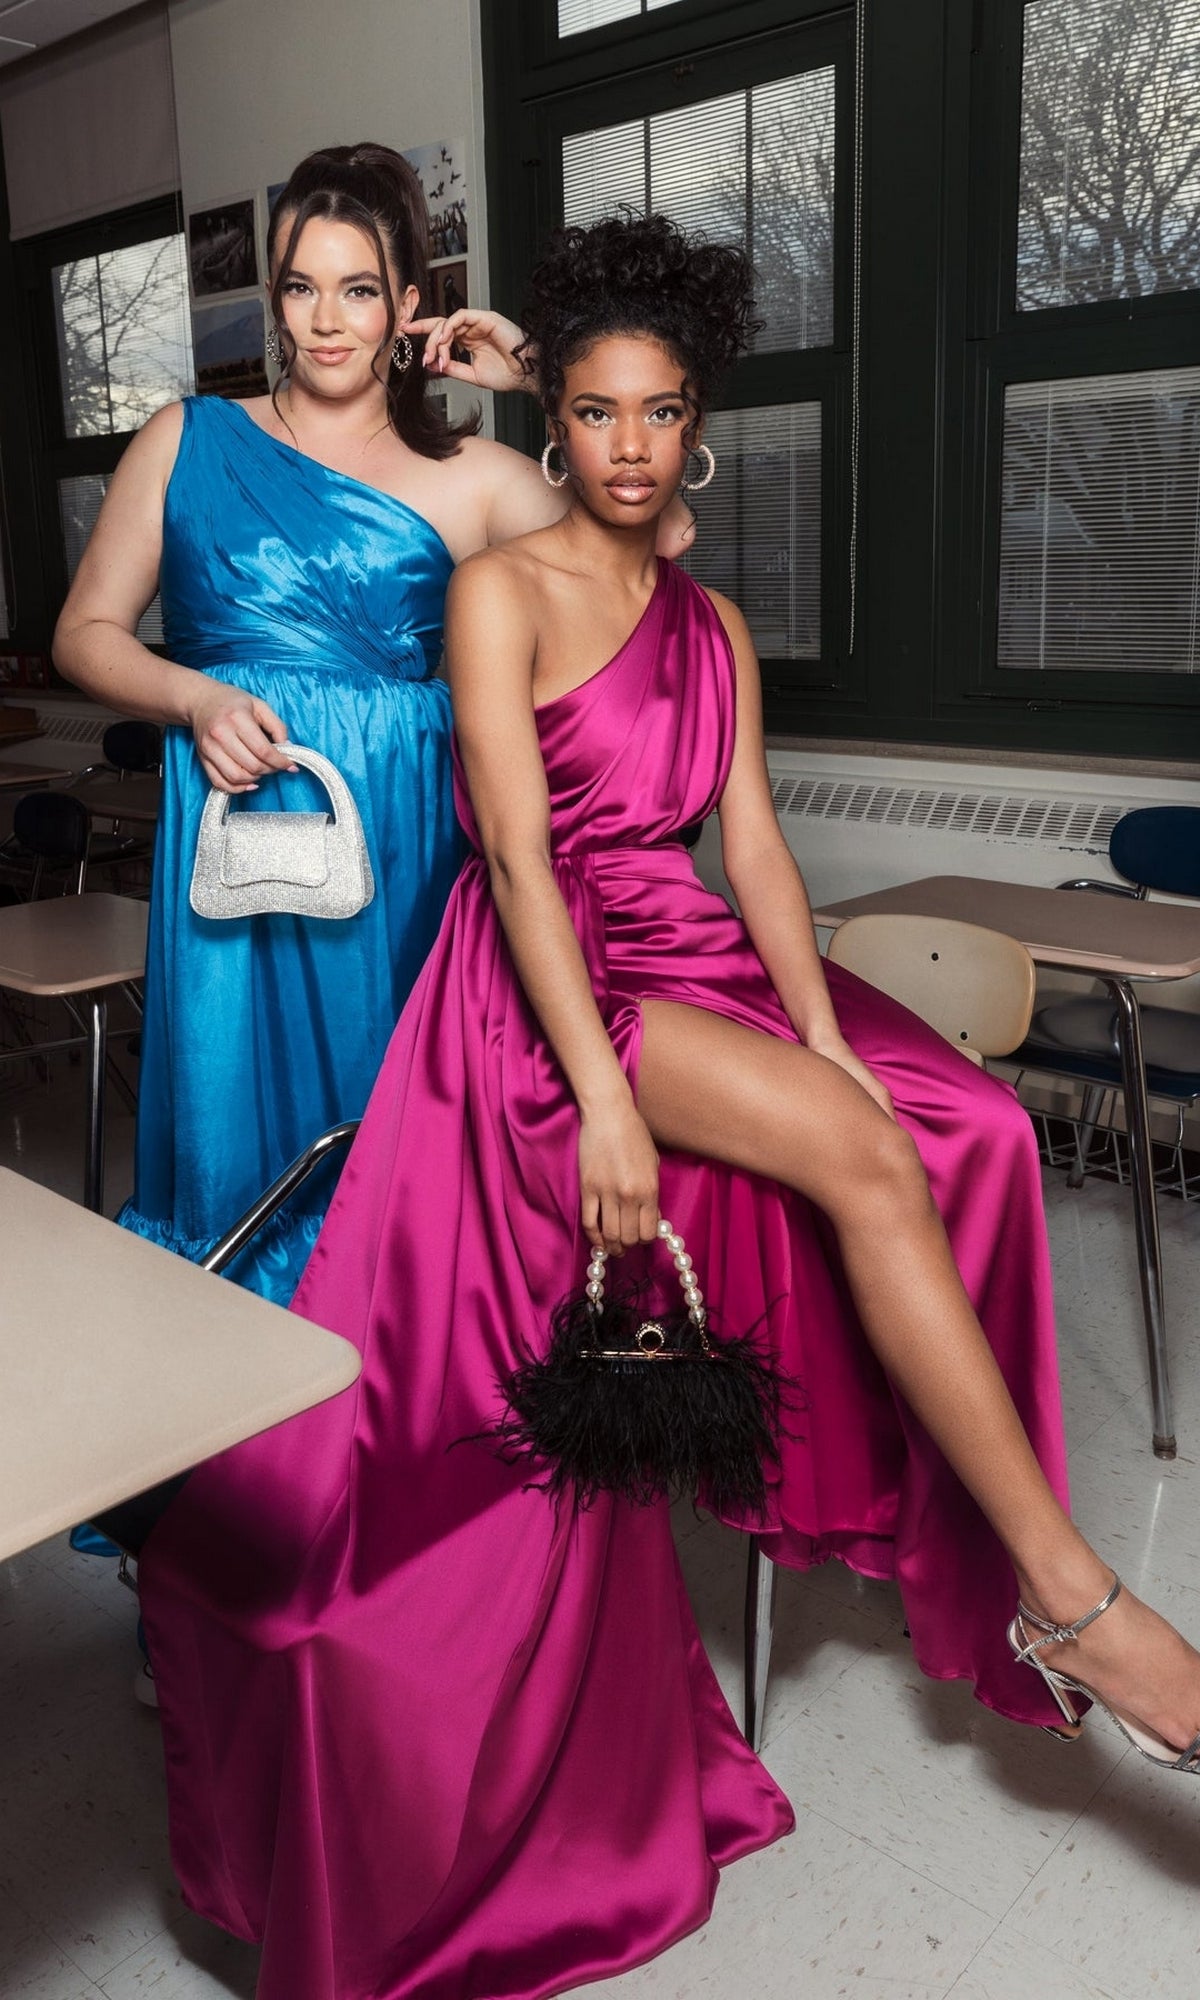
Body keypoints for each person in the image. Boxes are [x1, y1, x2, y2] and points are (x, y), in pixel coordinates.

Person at [137, 212, 1200, 2000]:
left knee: (931, 1125)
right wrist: (603, 1105)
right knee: (870, 1161)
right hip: (545, 992)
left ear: (693, 428)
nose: (629, 444)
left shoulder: (710, 620)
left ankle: (1028, 1575)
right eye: (598, 411)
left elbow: (760, 850)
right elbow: (523, 865)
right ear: (557, 420)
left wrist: (819, 1024)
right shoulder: (499, 590)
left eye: (661, 413)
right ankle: (1080, 1607)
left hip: (687, 951)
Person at [53, 142, 693, 1305]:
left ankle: (379, 1395)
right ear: (276, 303)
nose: (327, 321)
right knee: (240, 1139)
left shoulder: (472, 476)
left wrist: (540, 375)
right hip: (237, 832)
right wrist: (189, 694)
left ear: (410, 308)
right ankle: (231, 1417)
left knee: (387, 1136)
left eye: (360, 290)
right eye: (302, 287)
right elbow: (85, 631)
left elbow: (654, 536)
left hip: (401, 853)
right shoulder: (185, 438)